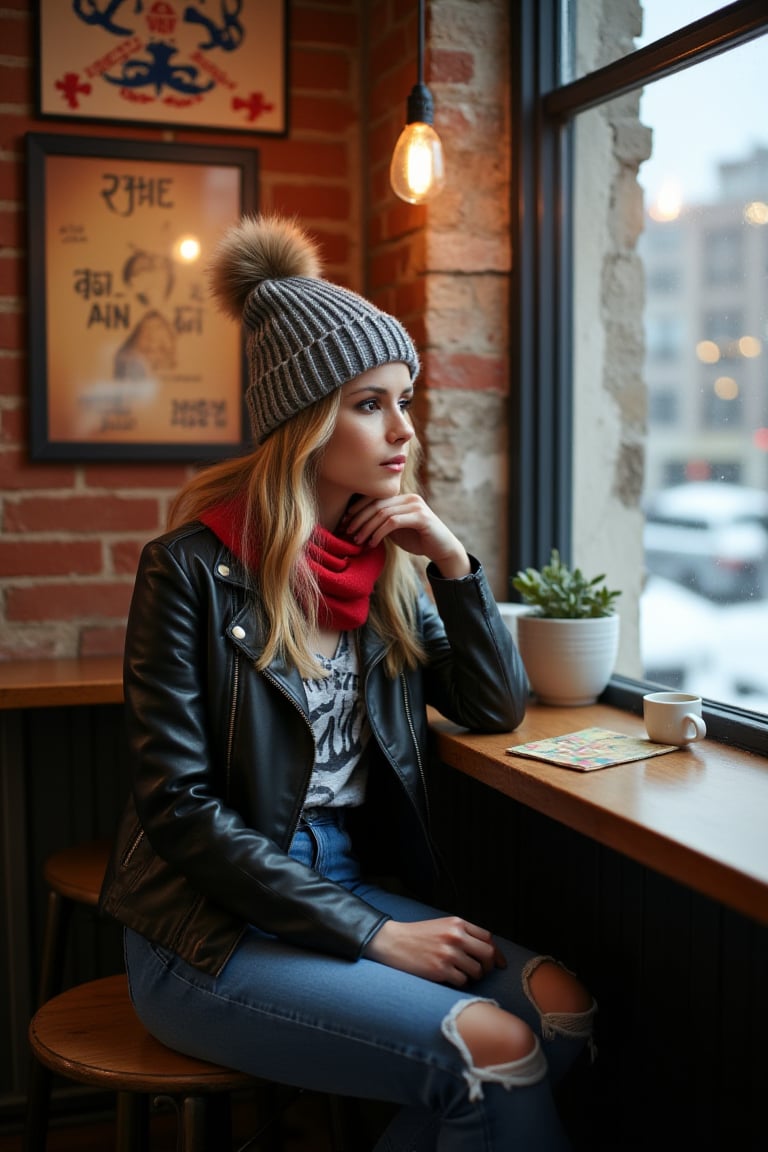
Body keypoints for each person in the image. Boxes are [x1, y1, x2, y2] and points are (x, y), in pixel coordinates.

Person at [99, 213, 596, 1152]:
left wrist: (452, 561)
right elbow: (180, 807)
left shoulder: (385, 565)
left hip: (343, 880)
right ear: (305, 417)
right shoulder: (191, 570)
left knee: (559, 1011)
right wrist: (372, 935)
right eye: (371, 403)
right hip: (208, 926)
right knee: (492, 1051)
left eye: (405, 400)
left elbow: (493, 706)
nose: (403, 430)